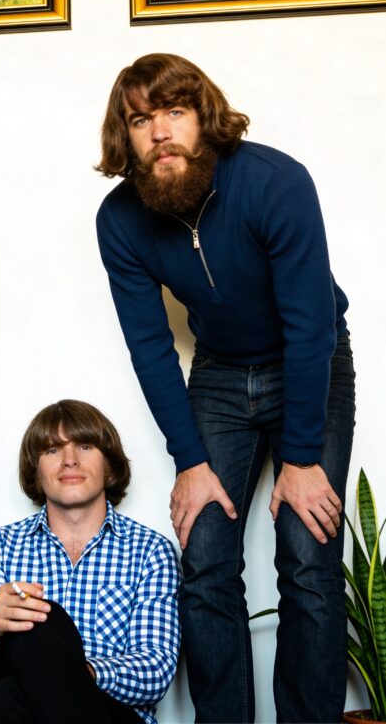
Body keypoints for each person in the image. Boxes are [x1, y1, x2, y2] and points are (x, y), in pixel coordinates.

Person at [95, 53, 355, 723]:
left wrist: (301, 459)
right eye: (140, 121)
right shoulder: (118, 219)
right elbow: (150, 347)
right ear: (124, 136)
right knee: (204, 556)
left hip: (308, 363)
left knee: (307, 558)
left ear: (203, 116)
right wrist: (189, 461)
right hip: (217, 373)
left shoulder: (275, 181)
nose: (160, 133)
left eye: (174, 112)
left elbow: (310, 329)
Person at [0, 399, 179, 724]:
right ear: (36, 471)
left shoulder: (150, 551)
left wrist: (64, 672)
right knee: (8, 691)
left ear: (109, 465)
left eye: (85, 446)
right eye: (52, 450)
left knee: (34, 630)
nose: (70, 460)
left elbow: (155, 671)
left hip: (114, 716)